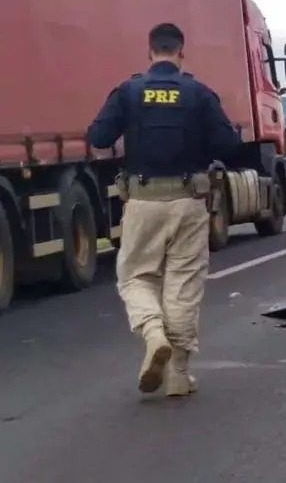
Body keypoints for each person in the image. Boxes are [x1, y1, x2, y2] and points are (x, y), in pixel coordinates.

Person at [87, 23, 240, 396]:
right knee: (183, 285)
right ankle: (177, 374)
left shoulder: (128, 91)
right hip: (189, 201)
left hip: (142, 201)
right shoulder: (199, 93)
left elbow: (98, 137)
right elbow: (229, 145)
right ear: (181, 52)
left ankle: (153, 333)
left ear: (150, 51)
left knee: (135, 277)